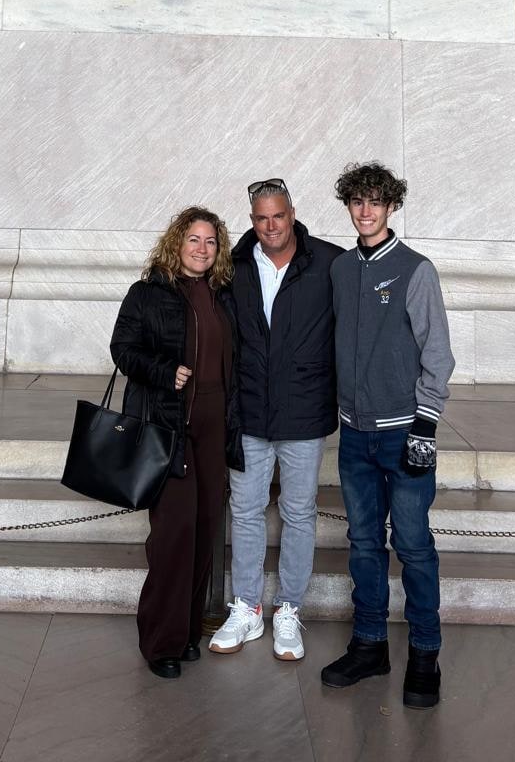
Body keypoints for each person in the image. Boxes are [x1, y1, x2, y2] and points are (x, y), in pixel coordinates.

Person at [322, 162, 454, 709]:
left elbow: (438, 353)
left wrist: (425, 426)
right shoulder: (340, 269)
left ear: (392, 206)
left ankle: (425, 652)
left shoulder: (415, 270)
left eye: (375, 201)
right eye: (357, 201)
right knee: (363, 544)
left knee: (414, 546)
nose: (366, 211)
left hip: (404, 434)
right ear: (349, 206)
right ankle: (370, 644)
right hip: (355, 435)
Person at [208, 178, 341, 663]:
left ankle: (288, 609)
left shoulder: (328, 262)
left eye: (278, 216)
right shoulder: (233, 266)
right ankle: (247, 607)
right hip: (249, 411)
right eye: (262, 218)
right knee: (245, 511)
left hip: (304, 411)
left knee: (298, 512)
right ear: (252, 221)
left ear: (292, 214)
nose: (271, 226)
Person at [109, 205, 243, 679]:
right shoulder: (148, 293)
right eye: (193, 239)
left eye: (210, 241)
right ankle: (160, 642)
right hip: (169, 426)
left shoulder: (223, 296)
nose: (202, 249)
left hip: (214, 427)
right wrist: (165, 371)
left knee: (205, 530)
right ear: (176, 243)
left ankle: (187, 633)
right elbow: (122, 348)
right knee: (173, 534)